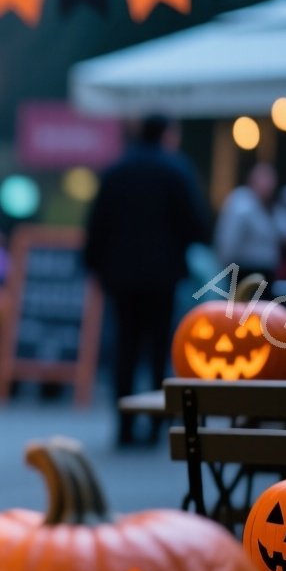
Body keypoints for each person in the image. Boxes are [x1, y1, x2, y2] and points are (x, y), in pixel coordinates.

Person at [84, 115, 211, 446]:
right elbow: (196, 226)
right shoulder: (177, 171)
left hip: (121, 276)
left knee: (125, 347)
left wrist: (93, 266)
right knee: (158, 349)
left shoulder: (116, 172)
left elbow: (97, 225)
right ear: (167, 134)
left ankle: (124, 425)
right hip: (162, 276)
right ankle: (157, 426)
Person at [215, 162, 286, 276]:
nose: (267, 184)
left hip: (269, 270)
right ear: (252, 180)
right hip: (242, 269)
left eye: (270, 179)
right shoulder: (241, 203)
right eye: (263, 178)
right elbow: (228, 242)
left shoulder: (275, 207)